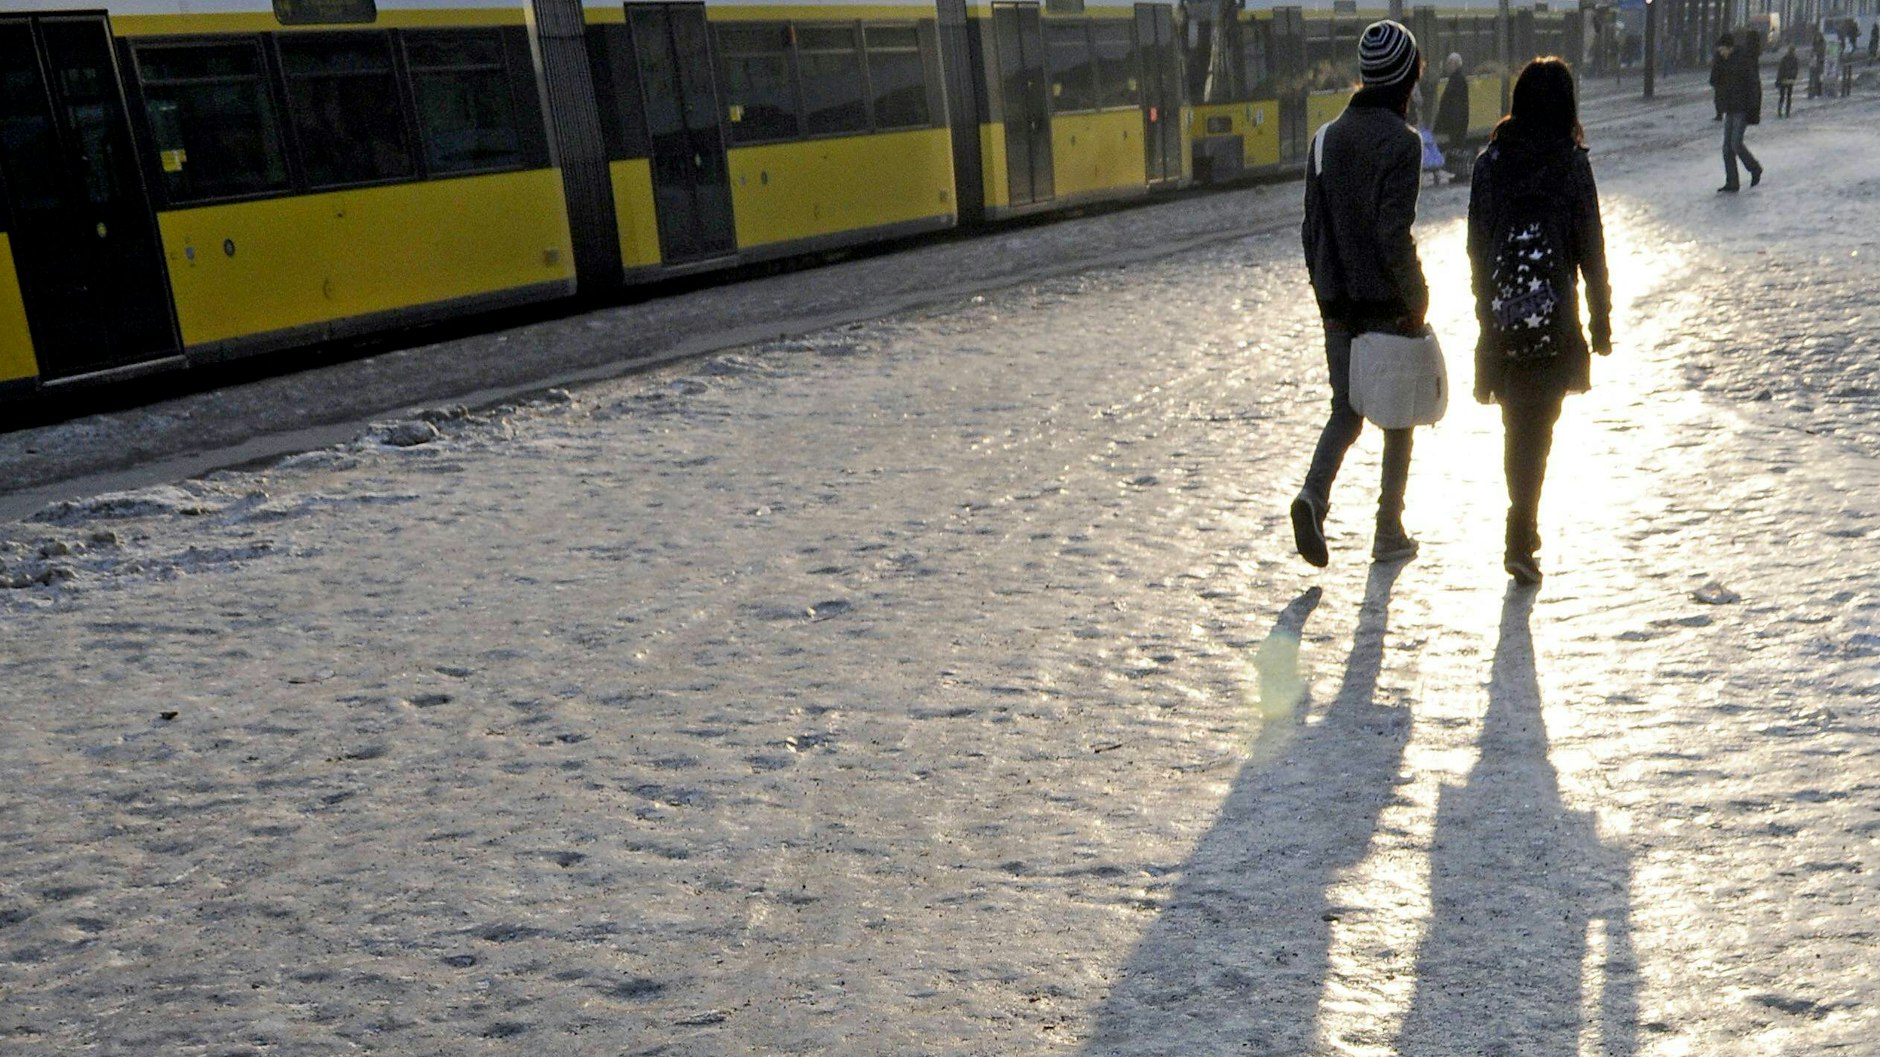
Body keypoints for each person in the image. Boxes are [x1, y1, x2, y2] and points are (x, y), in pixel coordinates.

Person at [1466, 57, 1612, 586]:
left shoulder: (1490, 162)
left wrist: (1487, 309)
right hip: (1553, 312)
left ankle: (1519, 524)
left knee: (1516, 424)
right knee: (1539, 428)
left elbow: (1478, 245)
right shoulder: (1571, 162)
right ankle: (1522, 529)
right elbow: (1590, 246)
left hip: (1505, 316)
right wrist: (1601, 321)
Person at [1292, 19, 1428, 568]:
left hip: (1337, 309)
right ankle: (1387, 529)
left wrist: (1326, 294)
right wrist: (1417, 297)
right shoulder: (1403, 143)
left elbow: (1310, 231)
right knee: (1399, 416)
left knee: (1345, 412)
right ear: (1406, 80)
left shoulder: (1323, 140)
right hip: (1387, 308)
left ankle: (1313, 496)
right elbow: (1394, 233)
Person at [1713, 33, 1763, 193]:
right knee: (1727, 148)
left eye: (1722, 50)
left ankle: (1754, 168)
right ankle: (1732, 181)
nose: (1721, 53)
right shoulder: (1722, 62)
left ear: (1729, 48)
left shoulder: (1743, 61)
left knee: (1735, 143)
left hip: (1742, 108)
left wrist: (1754, 108)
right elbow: (1715, 81)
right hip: (1730, 108)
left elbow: (1753, 85)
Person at [1433, 52, 1472, 183]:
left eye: (1449, 64)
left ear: (1455, 64)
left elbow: (1455, 104)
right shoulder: (1457, 79)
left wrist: (1450, 121)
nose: (1446, 66)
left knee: (1457, 147)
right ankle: (1460, 174)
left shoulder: (1457, 80)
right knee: (1456, 147)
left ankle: (1461, 174)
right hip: (1457, 121)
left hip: (1456, 122)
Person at [1777, 45, 1799, 117]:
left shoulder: (1784, 59)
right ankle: (1786, 112)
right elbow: (1796, 70)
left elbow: (1780, 70)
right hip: (1789, 80)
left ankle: (1781, 111)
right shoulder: (1794, 59)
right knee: (1788, 96)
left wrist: (1778, 80)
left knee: (1783, 96)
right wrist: (1793, 77)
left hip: (1784, 79)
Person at [1810, 30, 1827, 98]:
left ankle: (1819, 91)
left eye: (1818, 37)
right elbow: (1812, 53)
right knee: (1814, 78)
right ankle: (1815, 91)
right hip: (1814, 63)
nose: (1817, 38)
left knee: (1820, 78)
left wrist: (1820, 57)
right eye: (1816, 37)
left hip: (1821, 62)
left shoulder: (1823, 44)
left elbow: (1824, 53)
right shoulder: (1814, 44)